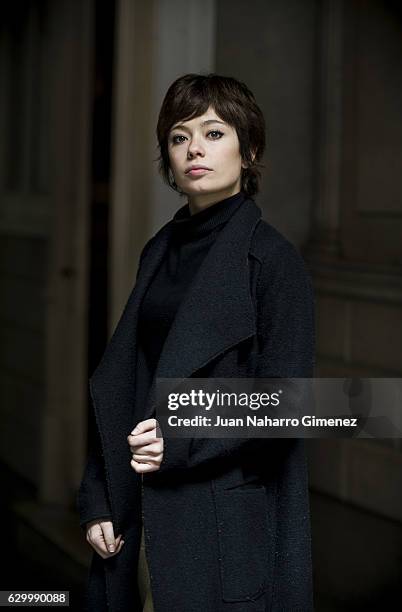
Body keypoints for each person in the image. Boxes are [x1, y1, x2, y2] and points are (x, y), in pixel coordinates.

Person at [77, 73, 315, 612]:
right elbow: (127, 380)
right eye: (180, 137)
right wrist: (100, 497)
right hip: (137, 508)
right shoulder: (160, 249)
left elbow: (290, 403)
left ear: (249, 149)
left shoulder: (274, 262)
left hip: (220, 515)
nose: (194, 150)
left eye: (213, 133)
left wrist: (182, 437)